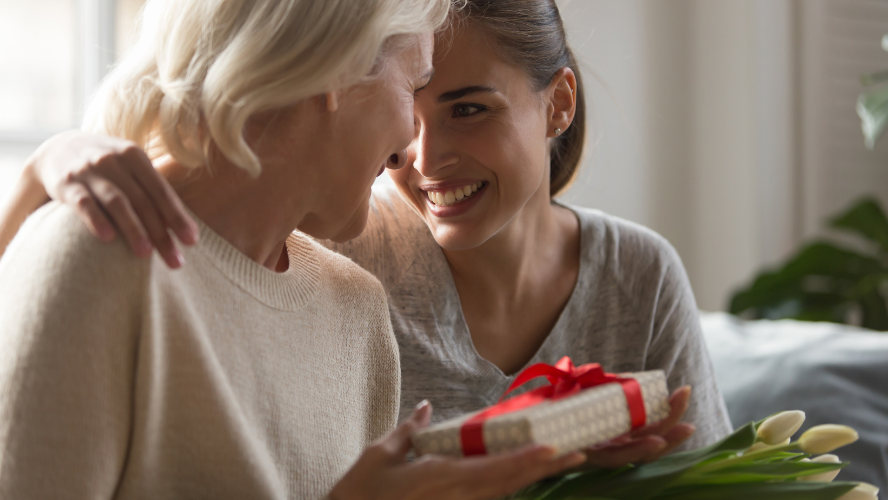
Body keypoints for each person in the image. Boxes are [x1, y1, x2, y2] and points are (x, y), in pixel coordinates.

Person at [2, 0, 729, 473]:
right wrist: (41, 179)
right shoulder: (105, 258)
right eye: (413, 90)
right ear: (336, 77)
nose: (419, 150)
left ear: (558, 105)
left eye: (467, 108)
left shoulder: (350, 309)